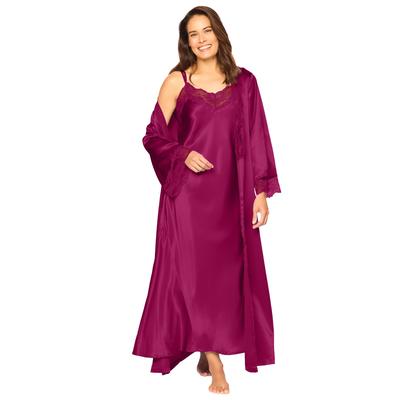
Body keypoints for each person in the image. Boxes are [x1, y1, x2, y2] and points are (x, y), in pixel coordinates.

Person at [132, 6, 282, 395]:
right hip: (188, 199)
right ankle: (215, 364)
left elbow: (258, 137)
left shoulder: (245, 82)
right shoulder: (177, 82)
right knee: (193, 280)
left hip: (230, 198)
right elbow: (152, 136)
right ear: (186, 42)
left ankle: (205, 345)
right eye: (193, 34)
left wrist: (261, 193)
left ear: (219, 33)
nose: (201, 39)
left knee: (225, 282)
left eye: (207, 30)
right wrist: (182, 154)